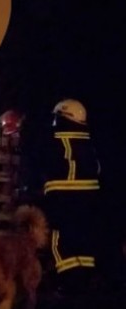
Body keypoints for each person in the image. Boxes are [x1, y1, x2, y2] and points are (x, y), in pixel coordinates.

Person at [41, 99, 103, 296]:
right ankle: (83, 285)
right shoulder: (90, 144)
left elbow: (43, 167)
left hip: (62, 200)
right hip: (90, 201)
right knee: (83, 240)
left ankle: (67, 287)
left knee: (59, 242)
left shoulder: (54, 141)